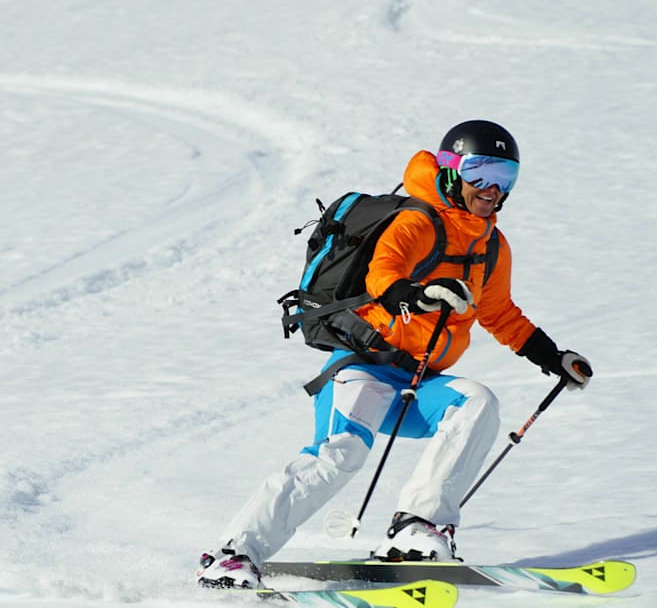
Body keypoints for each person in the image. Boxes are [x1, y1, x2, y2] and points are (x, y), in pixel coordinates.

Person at [195, 120, 592, 589]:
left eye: (505, 177)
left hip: (418, 386)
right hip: (363, 368)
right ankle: (234, 553)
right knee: (339, 456)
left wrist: (554, 357)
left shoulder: (491, 245)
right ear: (450, 172)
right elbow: (384, 275)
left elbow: (499, 313)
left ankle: (415, 529)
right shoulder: (419, 221)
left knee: (477, 401)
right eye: (479, 172)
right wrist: (420, 295)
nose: (492, 188)